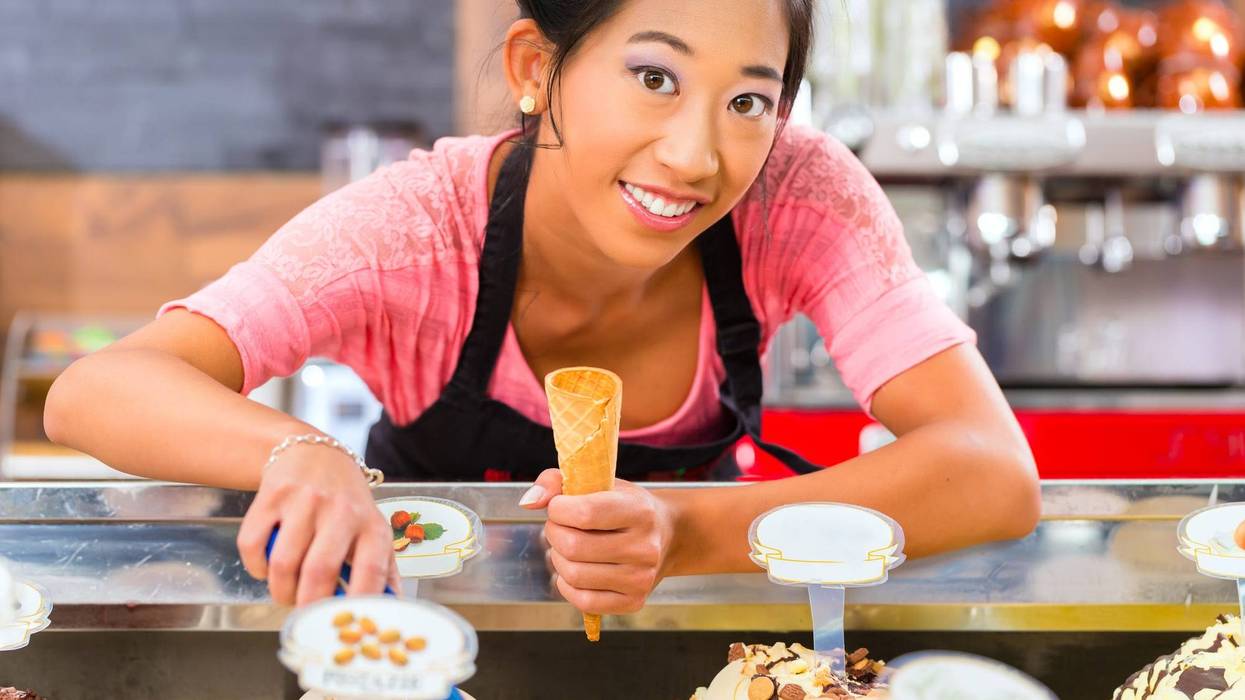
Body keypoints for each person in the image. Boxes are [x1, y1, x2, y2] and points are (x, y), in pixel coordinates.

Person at [44, 0, 1041, 615]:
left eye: (749, 100)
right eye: (654, 77)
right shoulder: (415, 229)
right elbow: (101, 388)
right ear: (536, 69)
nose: (698, 155)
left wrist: (682, 534)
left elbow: (993, 472)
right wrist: (298, 453)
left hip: (682, 631)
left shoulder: (799, 193)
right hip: (423, 648)